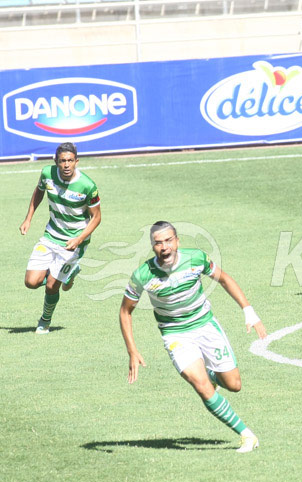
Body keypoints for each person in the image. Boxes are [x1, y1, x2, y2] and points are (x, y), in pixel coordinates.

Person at [119, 221, 267, 453]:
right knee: (199, 384)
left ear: (178, 241)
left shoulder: (196, 258)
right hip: (175, 334)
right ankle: (247, 435)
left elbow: (225, 279)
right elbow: (125, 311)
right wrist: (132, 350)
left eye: (169, 241)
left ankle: (210, 375)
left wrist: (248, 311)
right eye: (158, 243)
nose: (164, 247)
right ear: (152, 246)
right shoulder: (143, 275)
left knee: (233, 385)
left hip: (206, 326)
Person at [19, 142, 102, 334]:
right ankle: (65, 273)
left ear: (76, 161)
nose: (66, 165)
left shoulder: (87, 185)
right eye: (62, 161)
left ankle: (44, 321)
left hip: (73, 242)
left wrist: (79, 240)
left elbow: (96, 217)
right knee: (31, 282)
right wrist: (28, 218)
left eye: (70, 161)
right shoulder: (47, 174)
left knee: (52, 286)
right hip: (51, 235)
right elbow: (39, 190)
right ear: (56, 161)